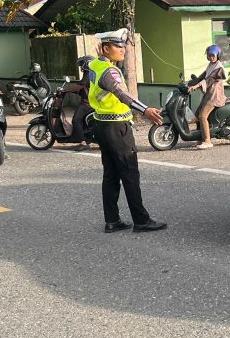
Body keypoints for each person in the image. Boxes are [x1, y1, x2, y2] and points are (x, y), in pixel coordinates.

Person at [90, 28, 167, 233]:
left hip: (102, 125)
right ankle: (141, 220)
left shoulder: (95, 65)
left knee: (111, 174)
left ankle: (112, 220)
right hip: (116, 127)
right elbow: (122, 94)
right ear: (106, 48)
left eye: (123, 45)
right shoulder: (110, 71)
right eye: (117, 46)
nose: (122, 49)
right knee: (130, 173)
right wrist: (146, 110)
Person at [188, 44, 227, 149]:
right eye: (209, 55)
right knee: (196, 116)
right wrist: (189, 83)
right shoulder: (210, 66)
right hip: (208, 96)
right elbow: (202, 77)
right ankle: (200, 138)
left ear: (218, 55)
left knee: (202, 116)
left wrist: (197, 86)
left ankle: (207, 141)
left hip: (215, 97)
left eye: (213, 55)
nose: (211, 57)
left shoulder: (219, 68)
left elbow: (209, 80)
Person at [71, 55, 95, 151]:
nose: (81, 67)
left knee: (76, 119)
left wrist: (64, 91)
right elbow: (81, 86)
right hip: (90, 102)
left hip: (86, 103)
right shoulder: (91, 73)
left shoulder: (88, 74)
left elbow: (81, 85)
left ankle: (83, 142)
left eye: (82, 65)